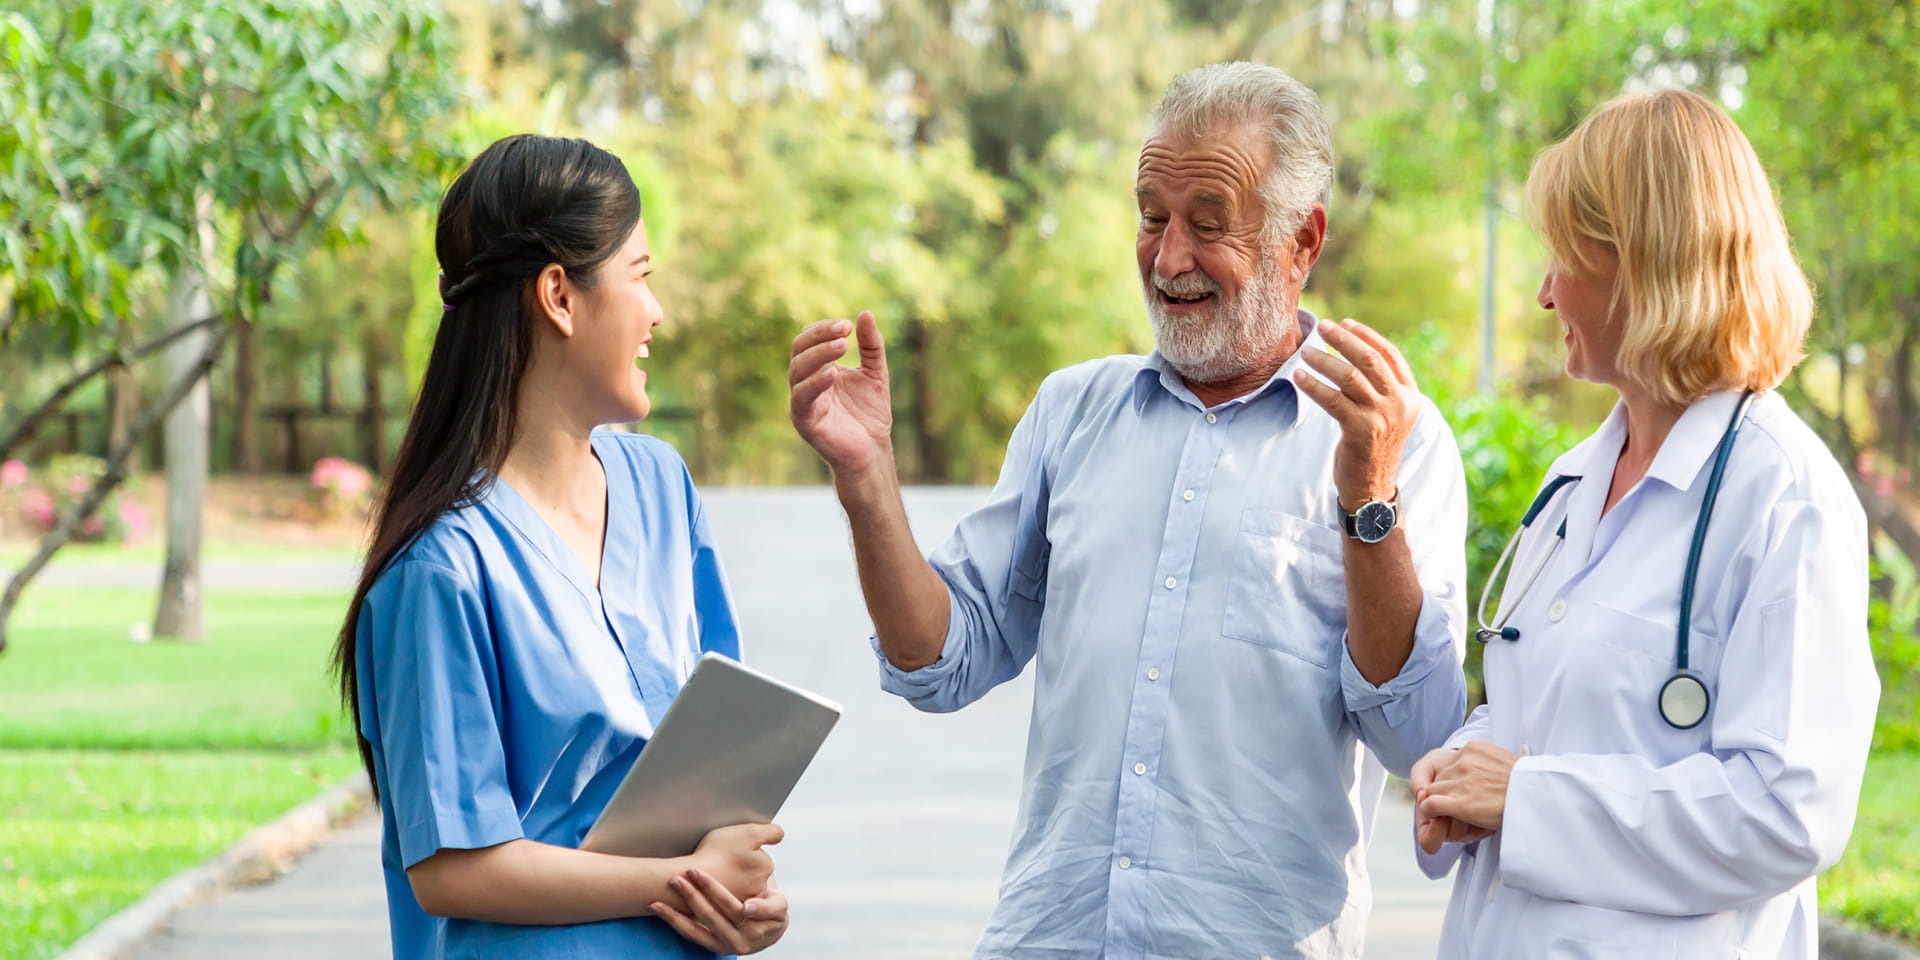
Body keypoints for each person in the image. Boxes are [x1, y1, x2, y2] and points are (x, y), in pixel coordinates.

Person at [788, 62, 1469, 958]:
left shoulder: (1393, 440)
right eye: (1152, 217)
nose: (1170, 257)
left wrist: (1366, 499)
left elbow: (1415, 735)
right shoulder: (1071, 411)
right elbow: (938, 664)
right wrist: (868, 478)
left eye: (1208, 225)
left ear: (1302, 241)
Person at [1411, 89, 1880, 958]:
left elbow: (1786, 815)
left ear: (1645, 264)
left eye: (1562, 258)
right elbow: (1544, 714)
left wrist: (1529, 799)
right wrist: (1466, 762)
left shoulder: (1787, 500)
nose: (1546, 294)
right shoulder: (1569, 484)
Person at [330, 134, 789, 959]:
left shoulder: (660, 488)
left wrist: (738, 904)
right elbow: (453, 870)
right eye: (640, 277)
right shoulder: (441, 568)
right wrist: (679, 878)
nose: (658, 313)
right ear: (559, 297)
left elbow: (719, 762)